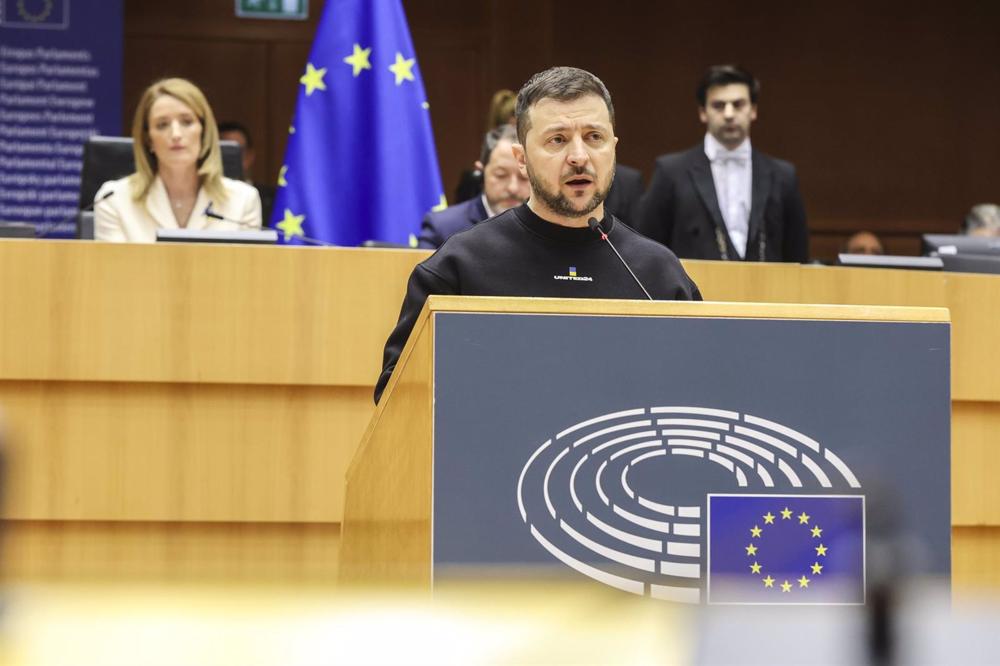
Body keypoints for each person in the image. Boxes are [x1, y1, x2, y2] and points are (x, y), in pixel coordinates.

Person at [375, 66, 702, 403]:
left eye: (594, 137)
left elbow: (702, 392)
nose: (578, 157)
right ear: (522, 158)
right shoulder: (460, 266)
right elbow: (397, 397)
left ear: (613, 148)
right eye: (557, 140)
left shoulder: (658, 274)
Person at [637, 65, 808, 262]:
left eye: (738, 104)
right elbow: (648, 249)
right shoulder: (671, 172)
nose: (729, 114)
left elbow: (797, 256)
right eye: (719, 105)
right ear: (703, 112)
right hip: (694, 290)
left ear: (753, 110)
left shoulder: (783, 175)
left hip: (767, 291)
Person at [94, 78, 262, 242]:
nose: (175, 134)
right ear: (148, 139)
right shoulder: (114, 200)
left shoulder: (242, 200)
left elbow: (244, 269)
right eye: (162, 125)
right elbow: (114, 269)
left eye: (186, 122)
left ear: (203, 133)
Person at [418, 124, 529, 248]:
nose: (512, 188)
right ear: (481, 172)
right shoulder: (442, 229)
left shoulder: (550, 227)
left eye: (524, 177)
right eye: (501, 175)